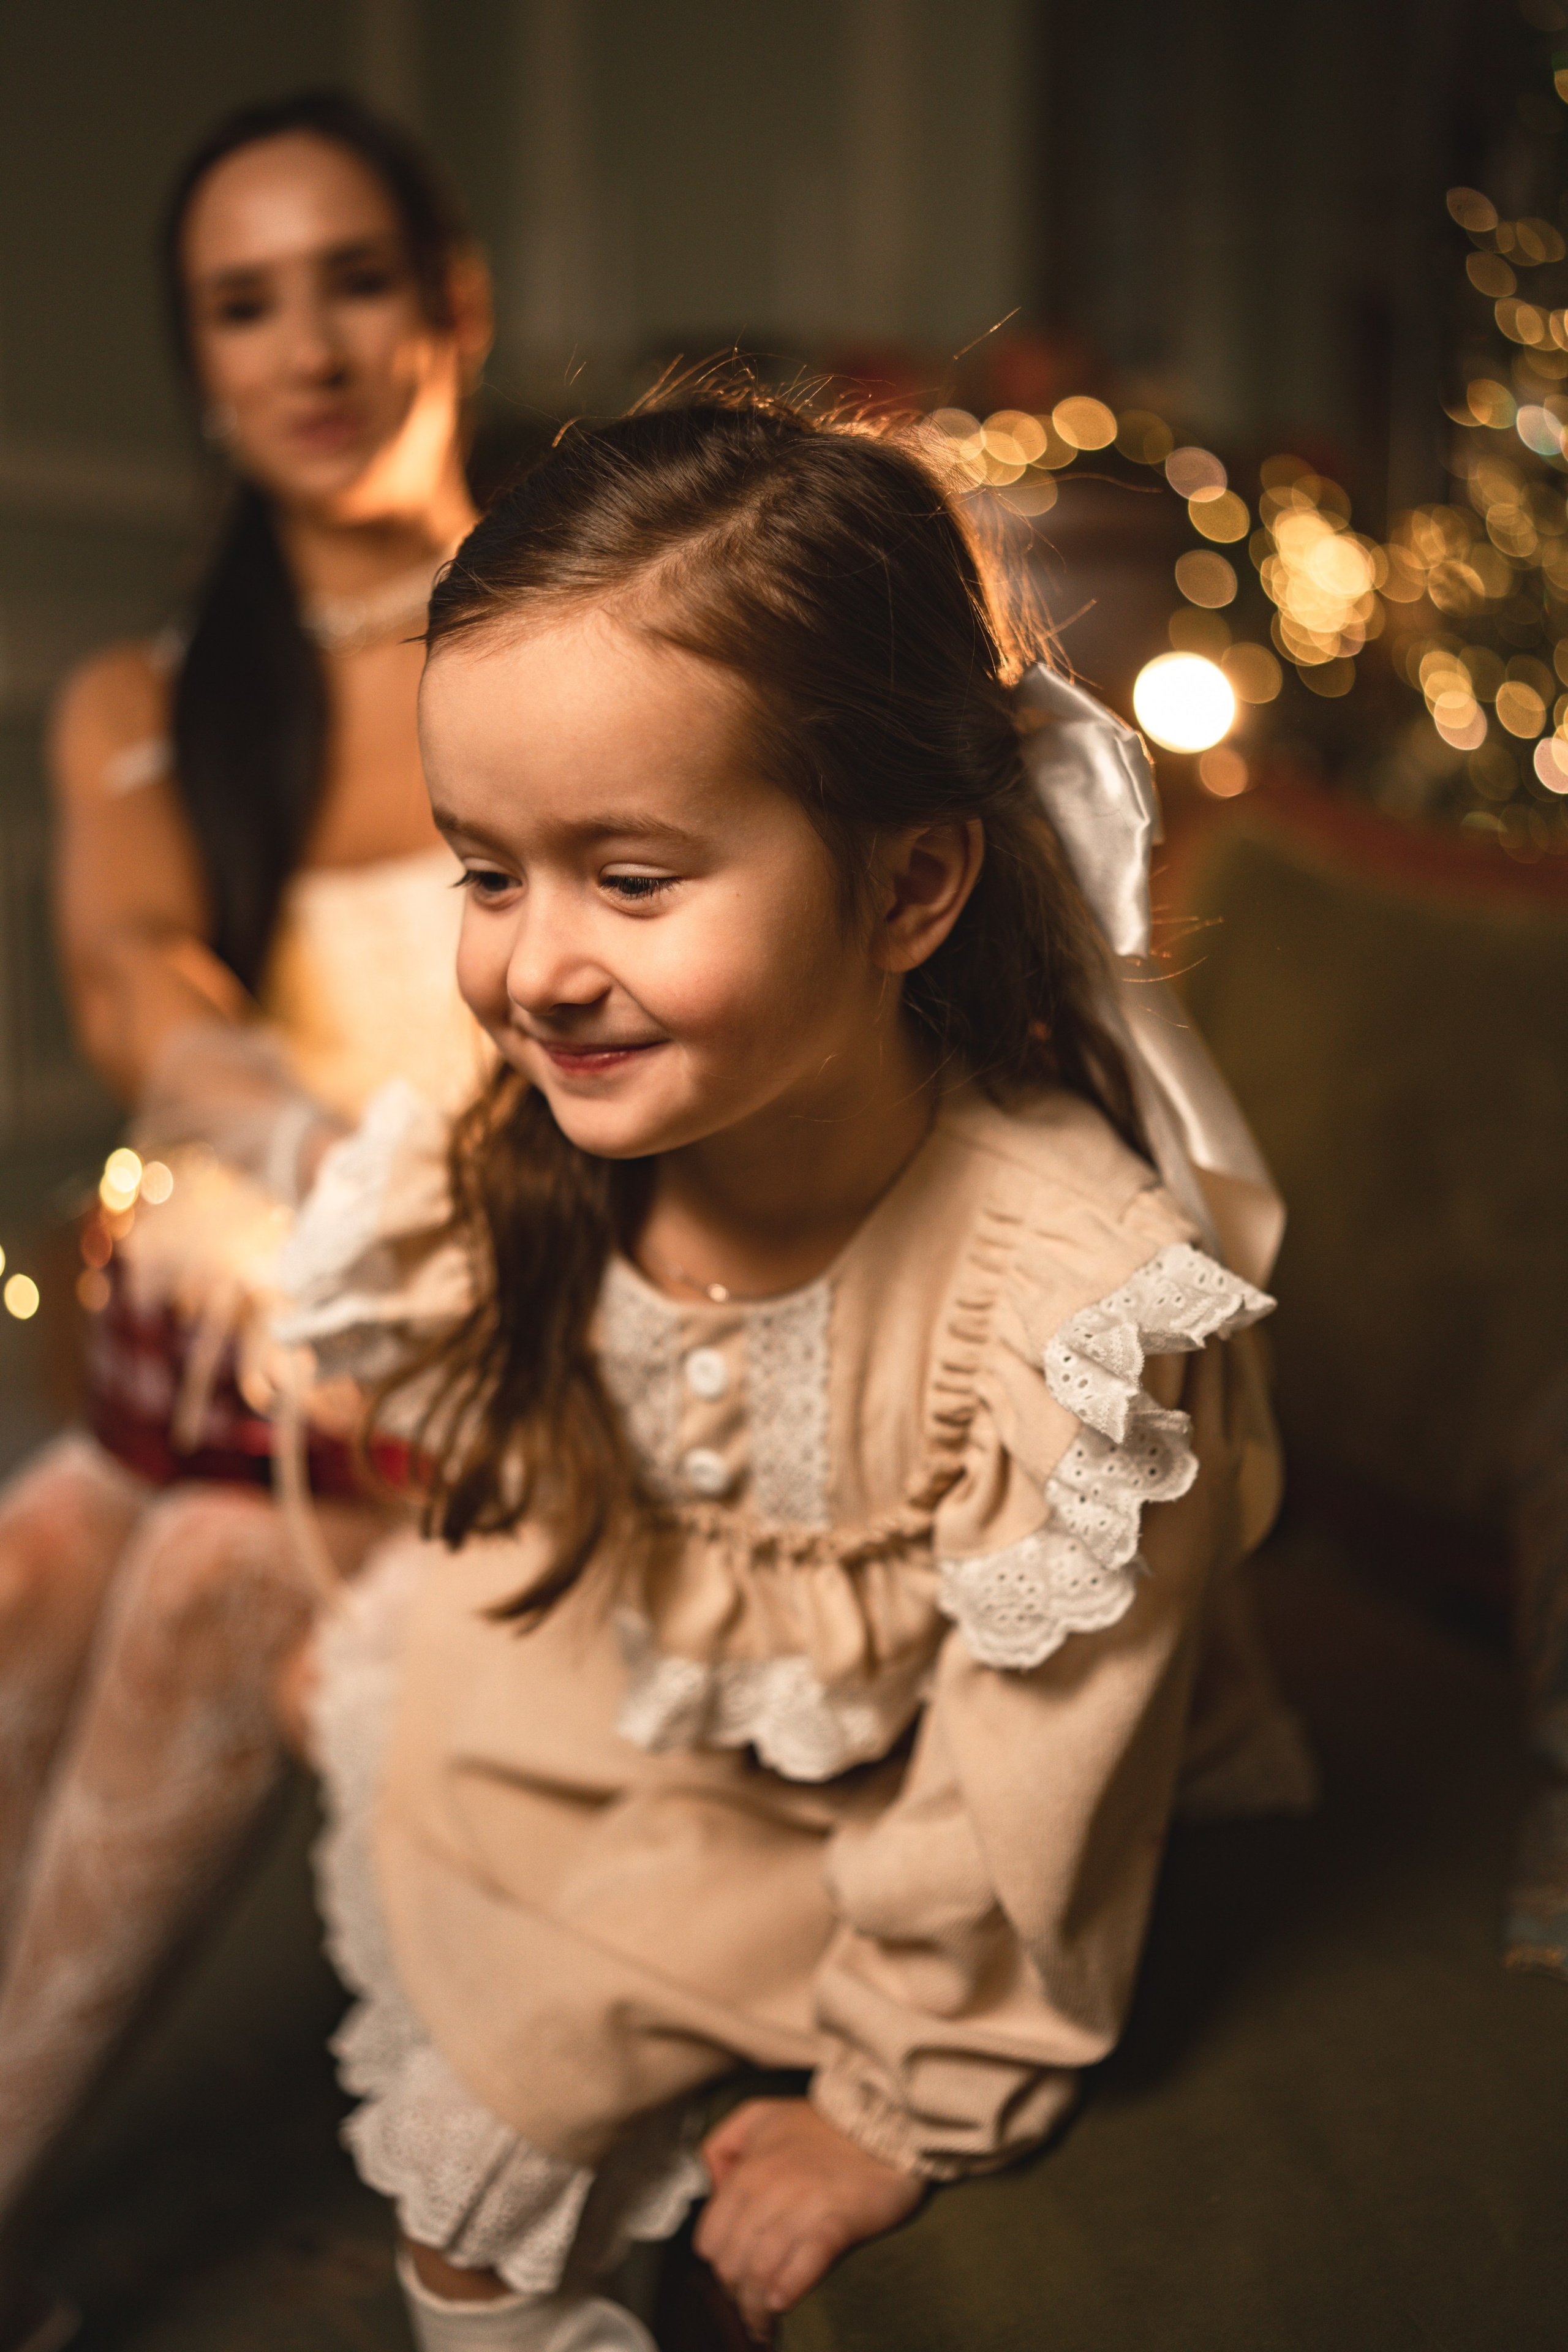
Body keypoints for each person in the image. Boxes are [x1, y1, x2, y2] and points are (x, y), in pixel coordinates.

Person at [274, 393, 1316, 2352]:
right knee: (458, 2122)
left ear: (911, 889)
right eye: (487, 872)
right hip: (615, 1729)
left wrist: (904, 2097)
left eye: (633, 879)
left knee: (475, 2226)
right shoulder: (525, 1151)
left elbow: (1035, 1785)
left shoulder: (1074, 1314)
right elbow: (580, 1487)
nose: (536, 968)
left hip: (905, 1835)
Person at [0, 88, 490, 2345]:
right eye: (242, 302)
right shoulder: (151, 701)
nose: (306, 347)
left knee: (201, 1570)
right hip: (252, 1332)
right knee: (35, 1547)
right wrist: (296, 1132)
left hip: (506, 1352)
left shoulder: (568, 638)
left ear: (453, 302)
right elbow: (135, 984)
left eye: (355, 279)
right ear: (197, 360)